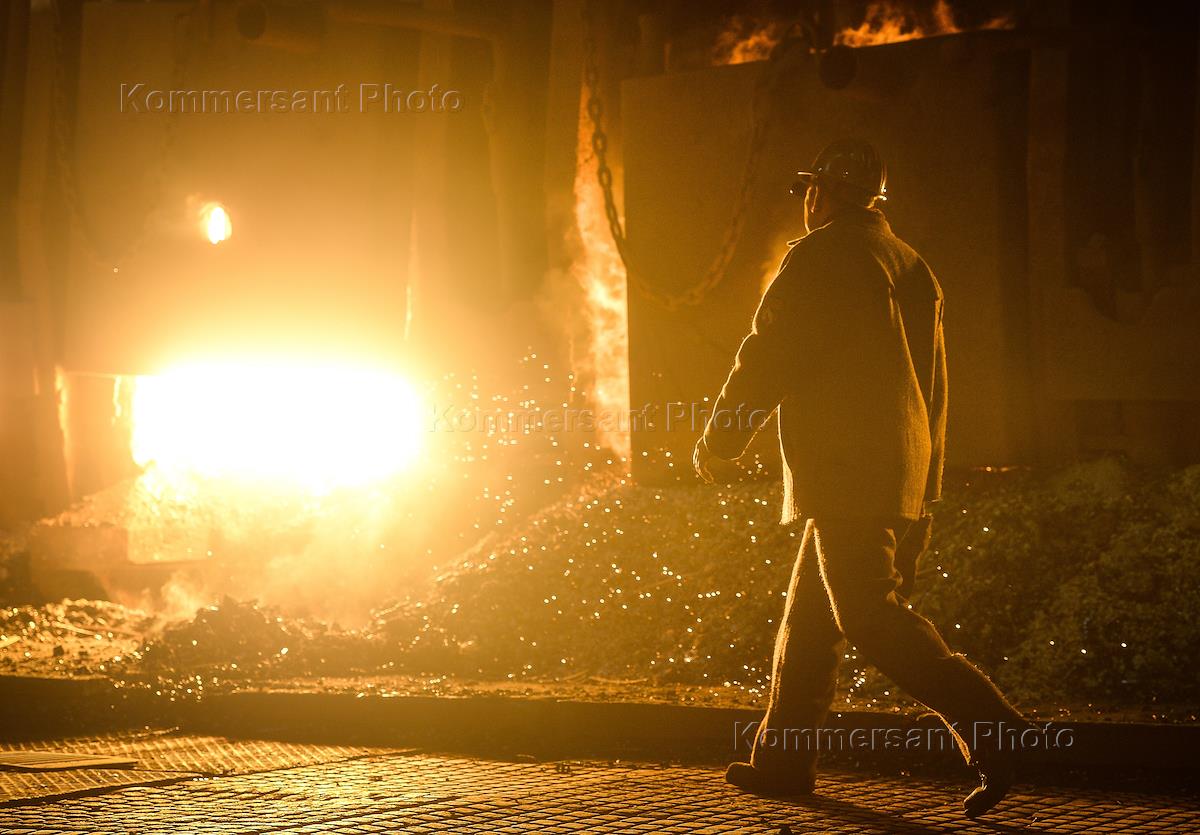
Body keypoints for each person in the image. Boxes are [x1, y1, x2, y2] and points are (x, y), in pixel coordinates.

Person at [693, 138, 1027, 819]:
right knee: (810, 623)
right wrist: (923, 486)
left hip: (847, 471)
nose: (806, 200)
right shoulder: (910, 264)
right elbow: (933, 388)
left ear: (824, 192)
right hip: (898, 473)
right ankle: (782, 762)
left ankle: (1003, 735)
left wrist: (721, 438)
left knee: (870, 616)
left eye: (809, 188)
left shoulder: (819, 257)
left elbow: (768, 354)